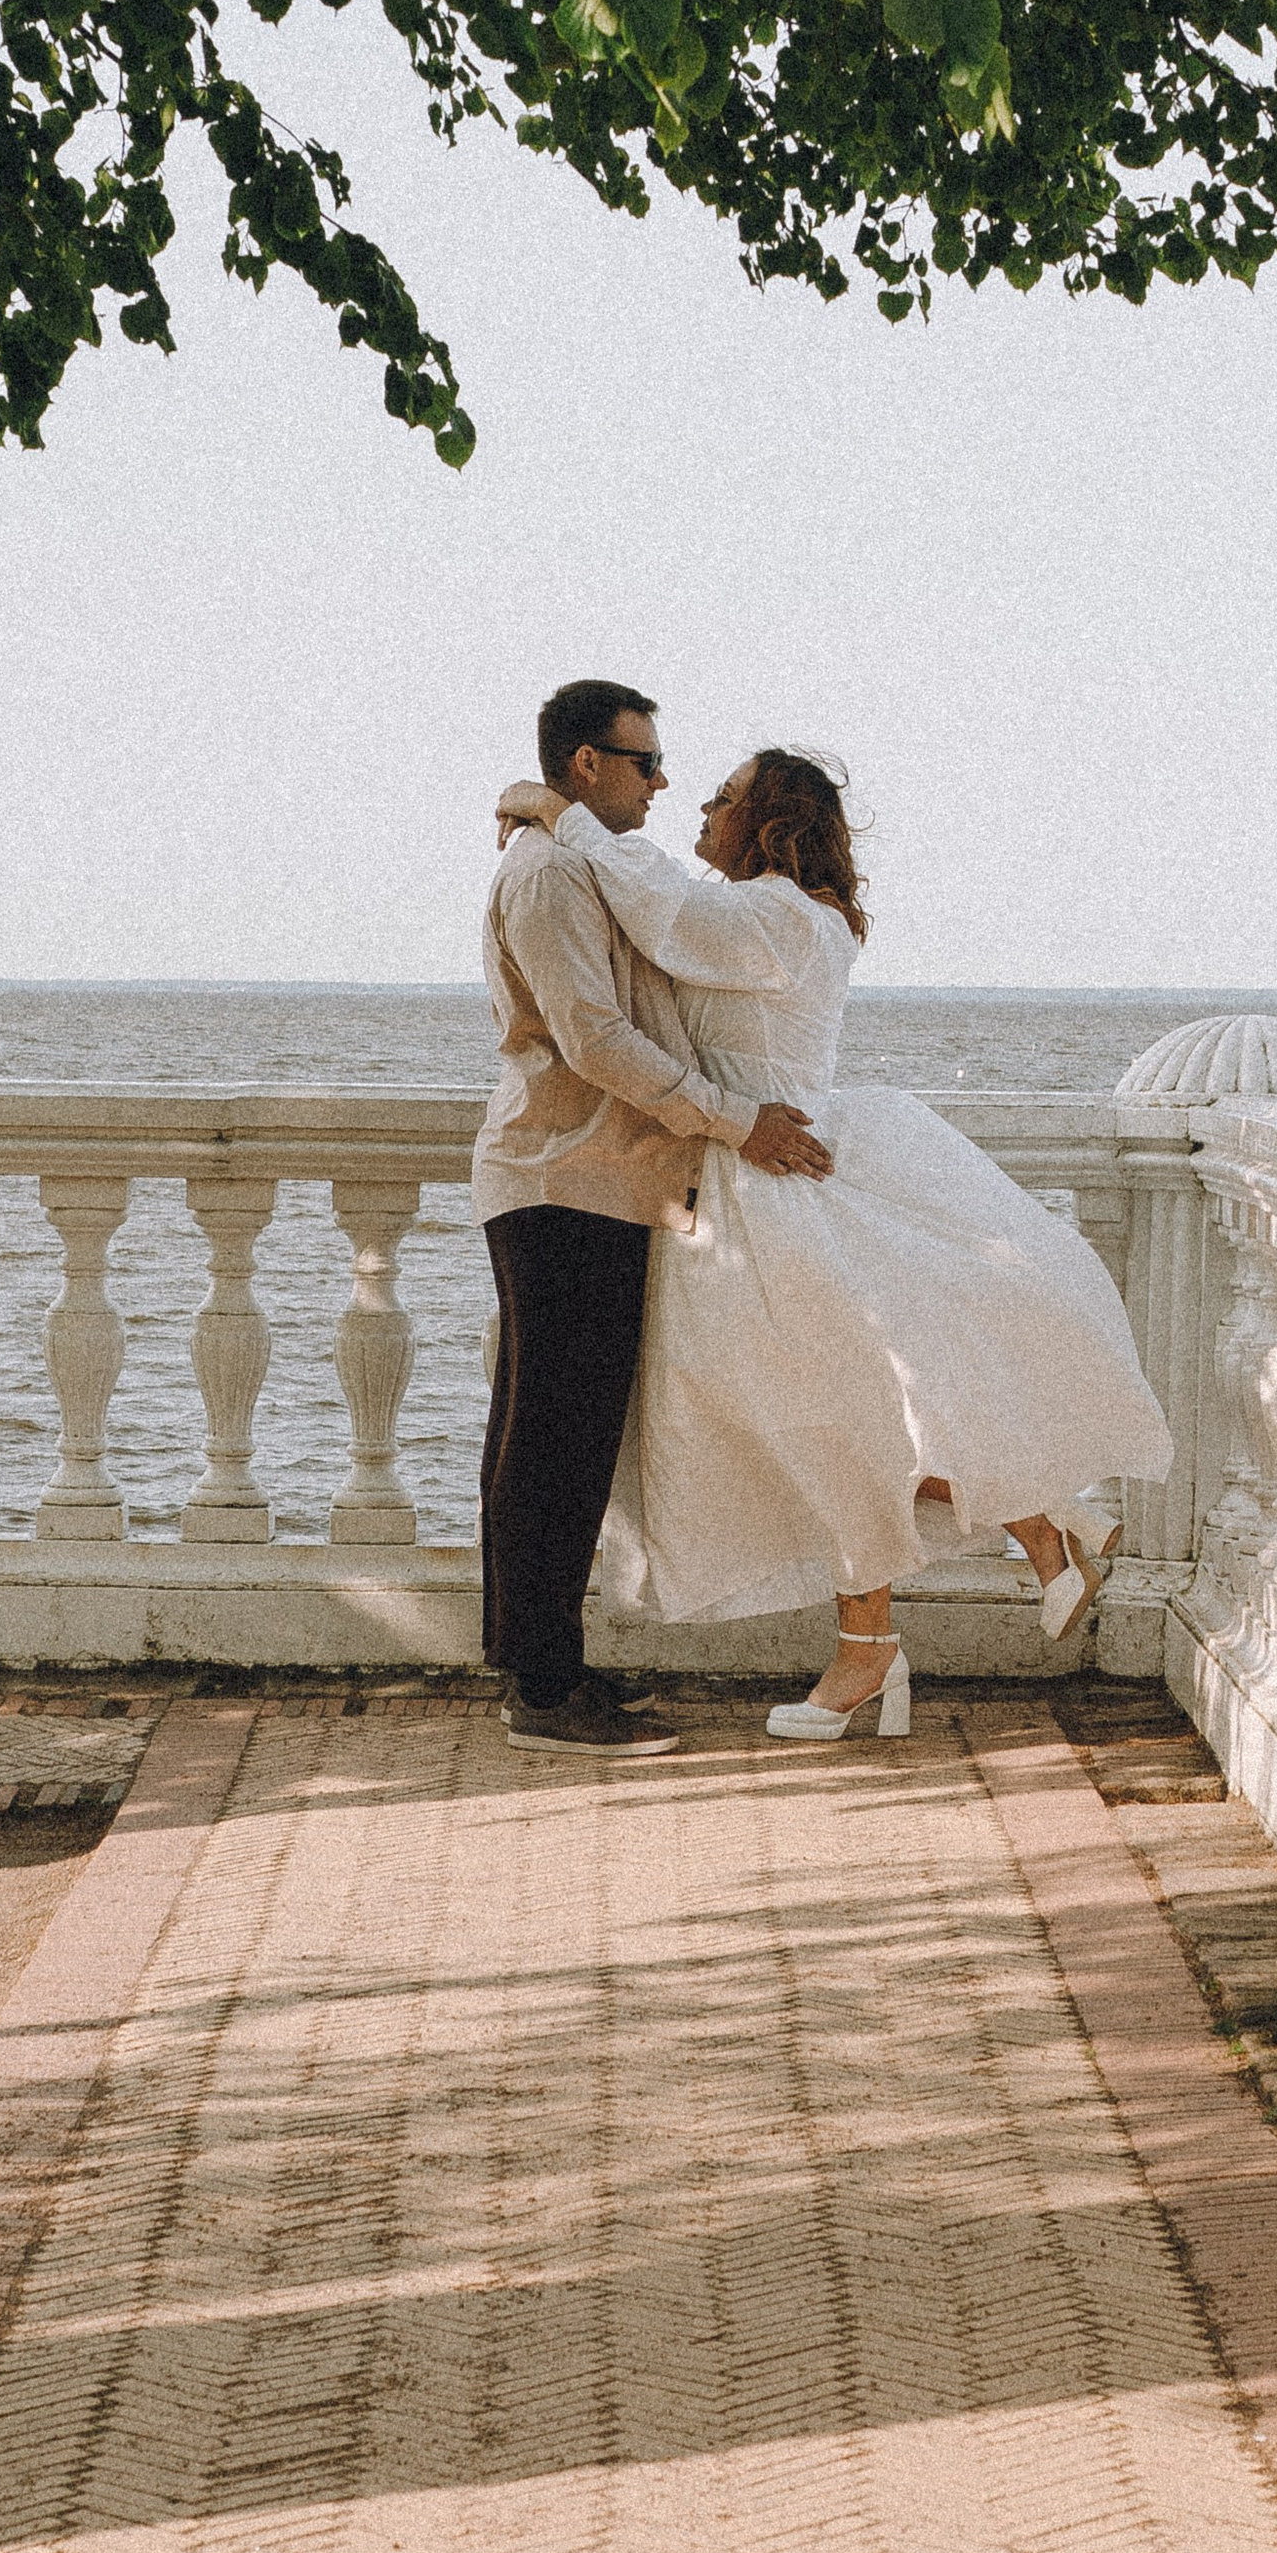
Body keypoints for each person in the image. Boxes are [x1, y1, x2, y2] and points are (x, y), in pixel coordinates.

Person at [494, 746, 1174, 1739]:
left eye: (722, 798)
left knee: (817, 1424)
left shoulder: (772, 915)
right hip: (741, 1184)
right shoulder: (771, 913)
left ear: (766, 825)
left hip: (769, 1189)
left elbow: (658, 905)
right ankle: (1020, 1530)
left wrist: (552, 808)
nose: (699, 808)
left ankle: (898, 1626)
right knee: (812, 1424)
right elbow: (664, 902)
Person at [474, 679, 839, 1755]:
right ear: (586, 764)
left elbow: (669, 919)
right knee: (548, 1443)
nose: (663, 781)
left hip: (601, 1179)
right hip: (561, 1177)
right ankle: (541, 1690)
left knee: (568, 1439)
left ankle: (549, 1665)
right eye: (643, 762)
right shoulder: (546, 875)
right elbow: (594, 1042)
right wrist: (738, 1122)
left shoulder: (577, 856)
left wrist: (534, 802)